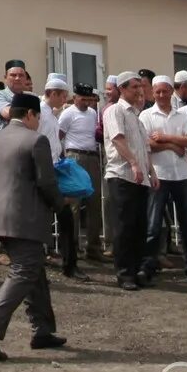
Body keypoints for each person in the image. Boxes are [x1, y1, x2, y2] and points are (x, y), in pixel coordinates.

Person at [0, 95, 64, 362]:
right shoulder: (36, 140)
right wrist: (61, 205)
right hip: (24, 216)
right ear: (30, 115)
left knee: (34, 269)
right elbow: (46, 182)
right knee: (25, 270)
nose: (38, 123)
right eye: (38, 118)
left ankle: (42, 329)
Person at [142, 76, 187, 279]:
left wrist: (165, 138)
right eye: (157, 92)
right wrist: (173, 145)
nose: (161, 95)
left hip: (182, 175)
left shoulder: (181, 116)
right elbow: (147, 144)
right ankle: (148, 267)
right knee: (153, 225)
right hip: (159, 174)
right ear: (153, 93)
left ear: (170, 92)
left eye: (165, 91)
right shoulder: (146, 116)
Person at [102, 74, 151, 289]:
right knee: (124, 226)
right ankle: (124, 274)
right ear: (122, 89)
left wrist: (151, 172)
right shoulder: (115, 110)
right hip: (122, 175)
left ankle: (136, 270)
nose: (139, 90)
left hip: (140, 178)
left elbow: (145, 148)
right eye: (134, 86)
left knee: (139, 226)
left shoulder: (136, 116)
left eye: (140, 86)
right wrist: (133, 163)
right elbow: (117, 139)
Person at [39, 74, 81, 276]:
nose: (65, 100)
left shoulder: (51, 114)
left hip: (54, 168)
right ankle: (67, 264)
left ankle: (68, 263)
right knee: (61, 216)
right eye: (63, 96)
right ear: (53, 94)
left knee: (64, 216)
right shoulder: (41, 113)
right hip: (46, 171)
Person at [60, 82, 106, 269]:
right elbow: (59, 135)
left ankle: (93, 247)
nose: (87, 102)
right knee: (75, 205)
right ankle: (73, 248)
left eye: (89, 99)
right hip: (75, 156)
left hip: (92, 156)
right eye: (83, 99)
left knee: (95, 202)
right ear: (75, 97)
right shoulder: (68, 113)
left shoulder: (93, 113)